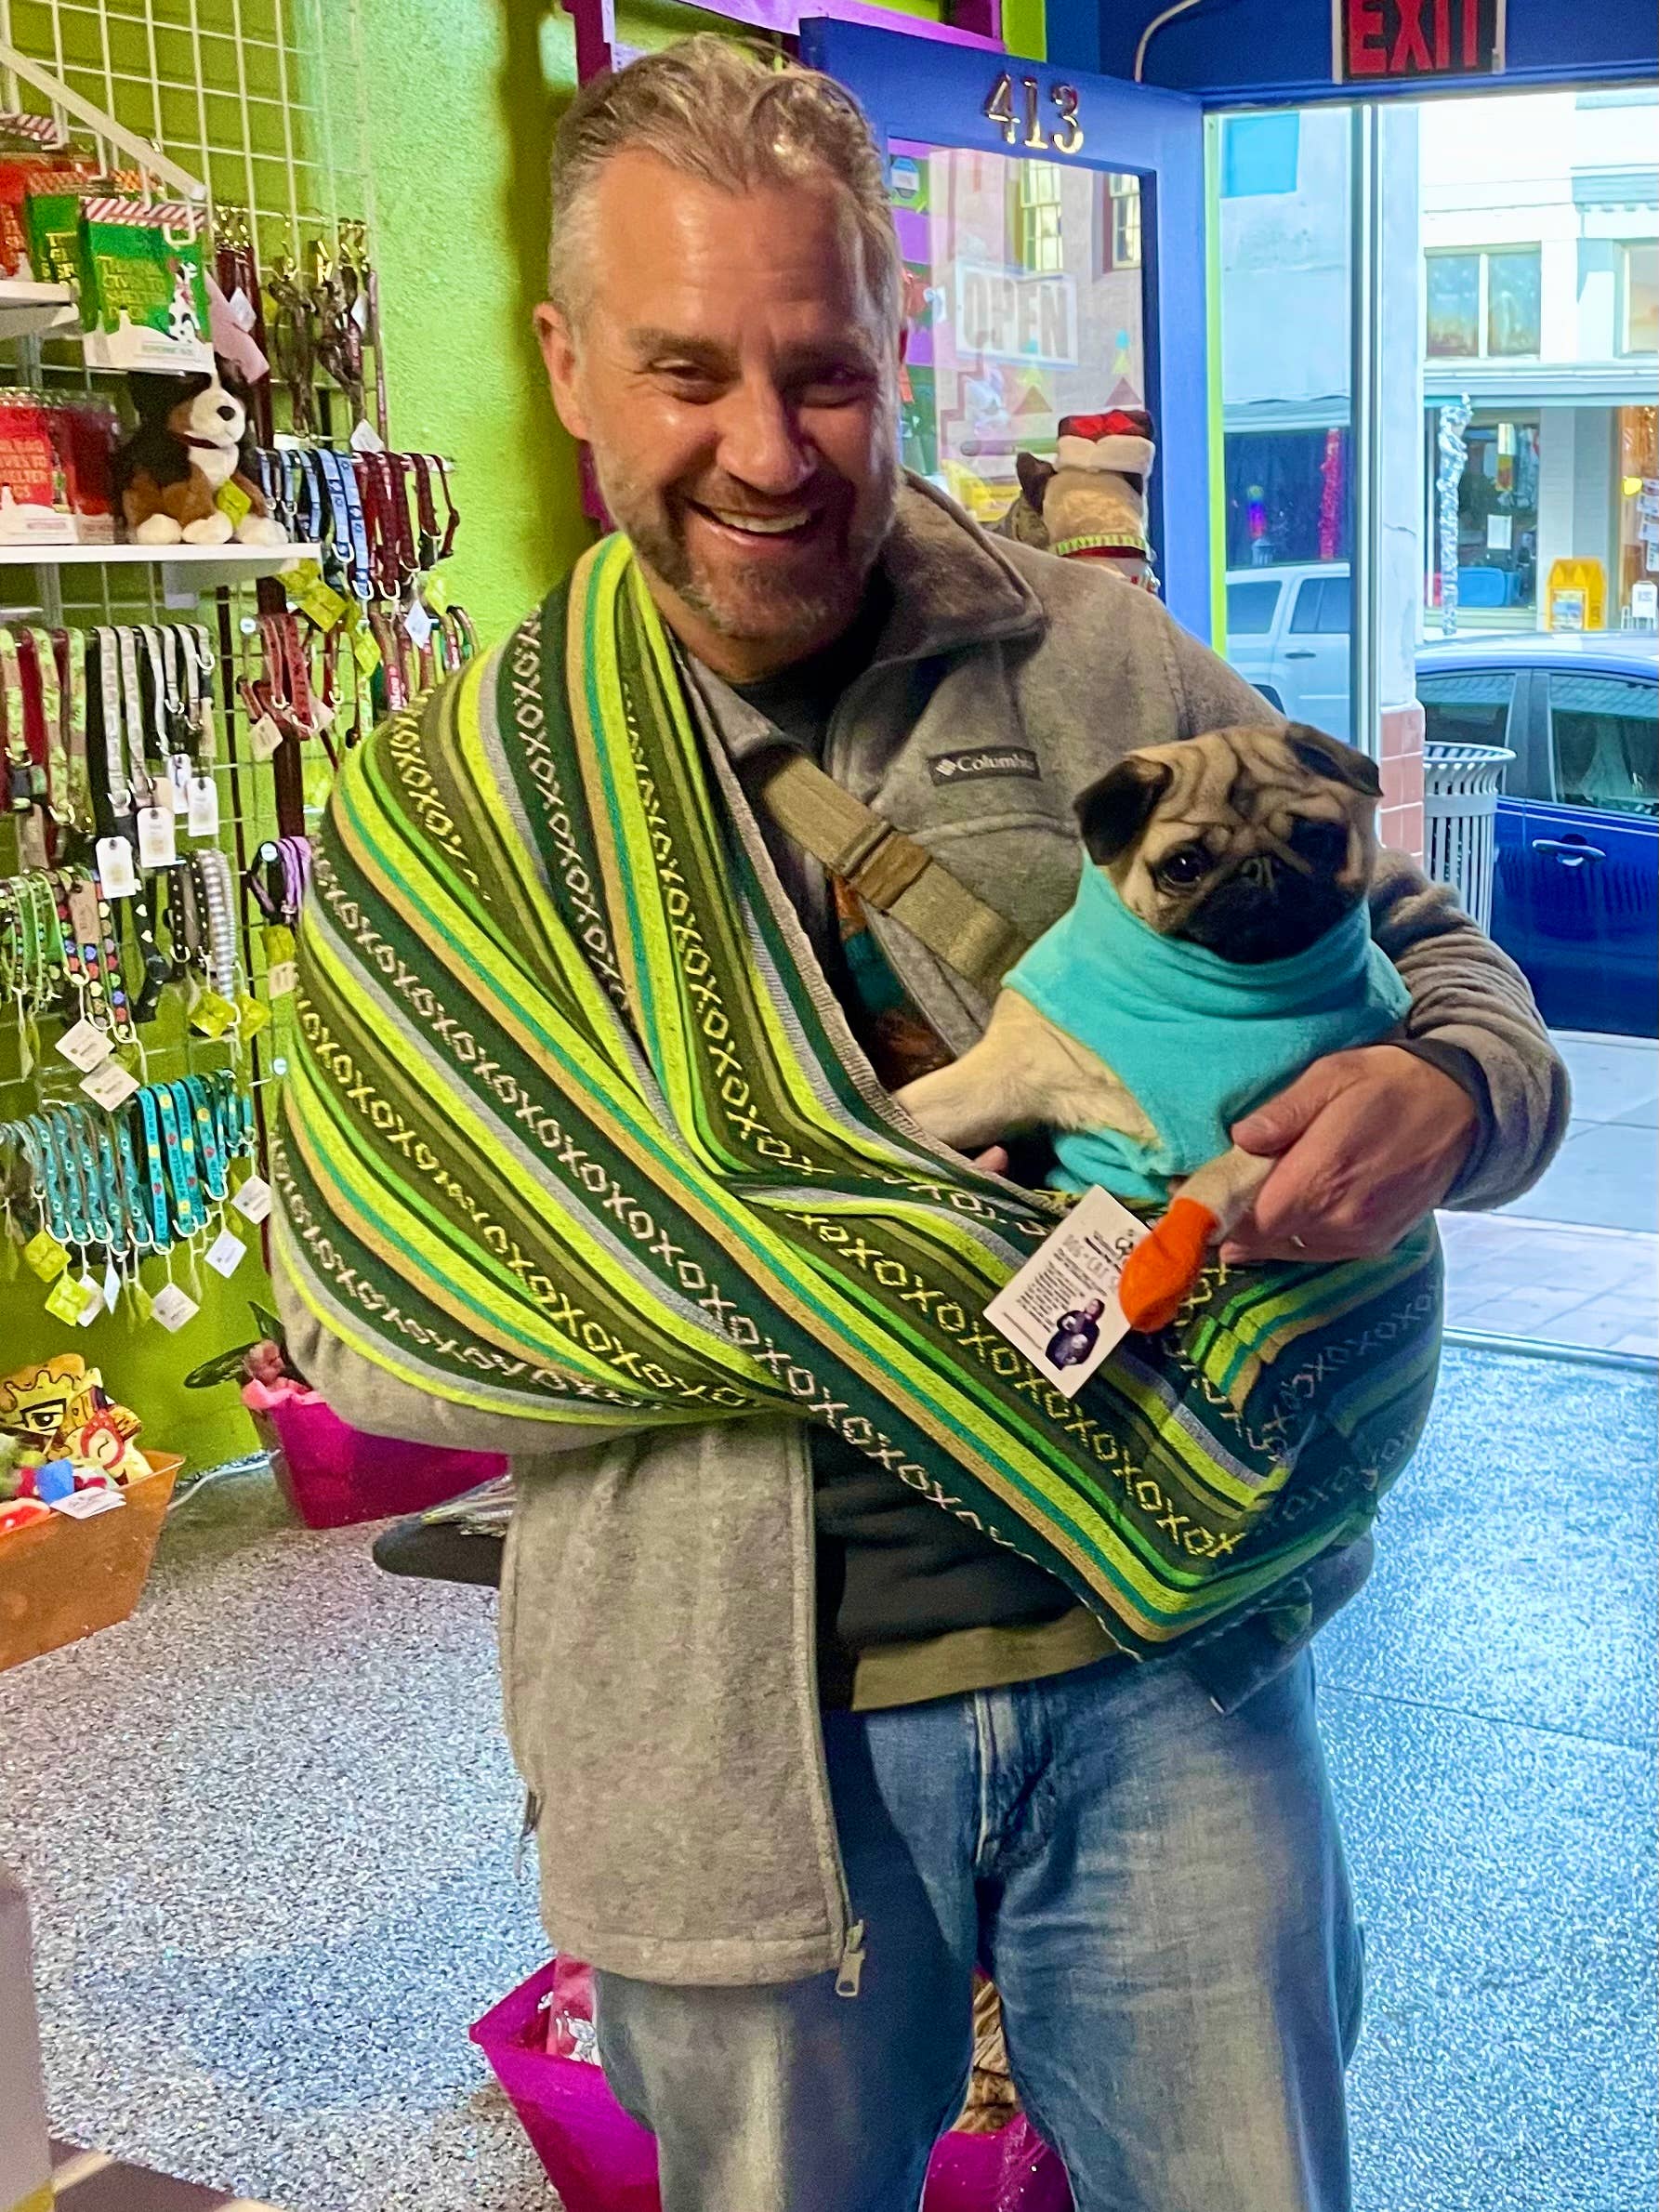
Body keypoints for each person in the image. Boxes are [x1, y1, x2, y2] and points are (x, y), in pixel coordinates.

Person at [273, 38, 1568, 2212]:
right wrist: (804, 1281)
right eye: (686, 371)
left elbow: (1431, 952)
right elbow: (365, 1310)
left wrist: (1452, 1089)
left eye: (827, 373)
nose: (766, 449)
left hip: (1172, 1666)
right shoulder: (456, 806)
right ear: (567, 363)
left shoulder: (1103, 662)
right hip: (728, 1744)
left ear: (901, 345)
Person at [1045, 1298, 1105, 1370]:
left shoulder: (1094, 1329)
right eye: (1090, 1303)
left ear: (1098, 1310)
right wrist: (1064, 1322)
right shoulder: (1076, 1313)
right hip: (1054, 1346)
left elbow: (1088, 1349)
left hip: (1064, 1355)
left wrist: (1078, 1360)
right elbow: (1059, 1322)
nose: (1090, 1306)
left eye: (1094, 1305)